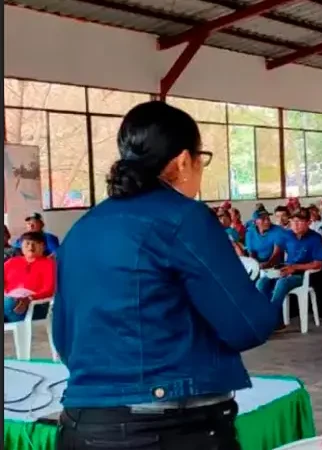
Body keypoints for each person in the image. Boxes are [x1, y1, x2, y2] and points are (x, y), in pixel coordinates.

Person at [53, 101, 282, 449]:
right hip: (168, 427)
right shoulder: (183, 218)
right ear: (181, 161)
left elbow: (65, 338)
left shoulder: (82, 229)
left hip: (83, 425)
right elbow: (246, 325)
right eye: (200, 159)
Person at [4, 231, 55, 323]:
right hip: (11, 300)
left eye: (35, 243)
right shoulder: (11, 262)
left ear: (43, 246)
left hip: (35, 305)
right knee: (9, 302)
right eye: (27, 243)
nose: (31, 247)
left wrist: (29, 298)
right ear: (21, 246)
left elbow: (50, 289)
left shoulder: (49, 264)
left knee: (9, 303)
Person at [245, 209, 289, 295]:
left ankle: (267, 306)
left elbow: (276, 254)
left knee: (262, 284)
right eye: (263, 219)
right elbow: (251, 254)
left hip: (274, 266)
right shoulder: (250, 232)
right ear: (255, 222)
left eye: (268, 218)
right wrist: (256, 265)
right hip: (258, 266)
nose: (267, 221)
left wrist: (266, 265)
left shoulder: (278, 230)